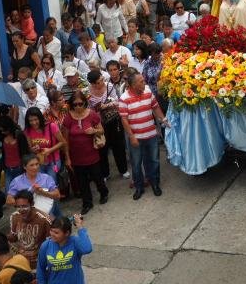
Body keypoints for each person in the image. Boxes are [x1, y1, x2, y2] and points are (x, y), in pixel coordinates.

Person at [119, 72, 167, 200]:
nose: (144, 82)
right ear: (133, 85)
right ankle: (139, 187)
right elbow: (124, 120)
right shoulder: (124, 98)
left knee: (155, 161)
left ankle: (155, 183)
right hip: (136, 137)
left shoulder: (147, 92)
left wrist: (163, 119)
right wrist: (132, 137)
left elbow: (155, 107)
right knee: (136, 164)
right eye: (141, 81)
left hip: (151, 135)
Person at [62, 91, 108, 214]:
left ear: (85, 103)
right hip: (76, 156)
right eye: (75, 104)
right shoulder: (68, 118)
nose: (78, 106)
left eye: (80, 104)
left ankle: (103, 193)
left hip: (92, 154)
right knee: (81, 182)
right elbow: (65, 139)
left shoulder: (92, 115)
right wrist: (67, 158)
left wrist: (93, 130)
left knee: (97, 177)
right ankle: (87, 203)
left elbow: (101, 130)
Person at [86, 70, 128, 180]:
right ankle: (105, 173)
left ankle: (123, 170)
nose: (102, 82)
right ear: (93, 83)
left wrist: (106, 106)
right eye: (99, 81)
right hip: (98, 123)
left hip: (113, 120)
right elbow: (88, 109)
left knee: (118, 145)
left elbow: (117, 101)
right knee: (102, 148)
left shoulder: (109, 86)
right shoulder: (87, 92)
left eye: (102, 79)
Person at [37, 215, 91, 284]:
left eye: (56, 232)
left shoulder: (74, 242)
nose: (52, 234)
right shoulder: (46, 245)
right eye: (51, 231)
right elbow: (40, 270)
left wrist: (80, 227)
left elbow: (87, 249)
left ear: (67, 233)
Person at [7, 189, 51, 269]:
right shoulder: (15, 217)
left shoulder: (44, 220)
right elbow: (14, 238)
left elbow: (51, 245)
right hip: (22, 263)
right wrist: (3, 238)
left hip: (40, 263)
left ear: (32, 204)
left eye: (24, 206)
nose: (21, 210)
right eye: (18, 207)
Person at [23, 107, 65, 183]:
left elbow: (62, 142)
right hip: (38, 162)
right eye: (30, 120)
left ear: (40, 118)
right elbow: (29, 148)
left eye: (36, 119)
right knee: (41, 183)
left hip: (53, 161)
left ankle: (54, 194)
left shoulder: (51, 126)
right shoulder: (27, 131)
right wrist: (33, 149)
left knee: (50, 182)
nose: (33, 123)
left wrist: (49, 150)